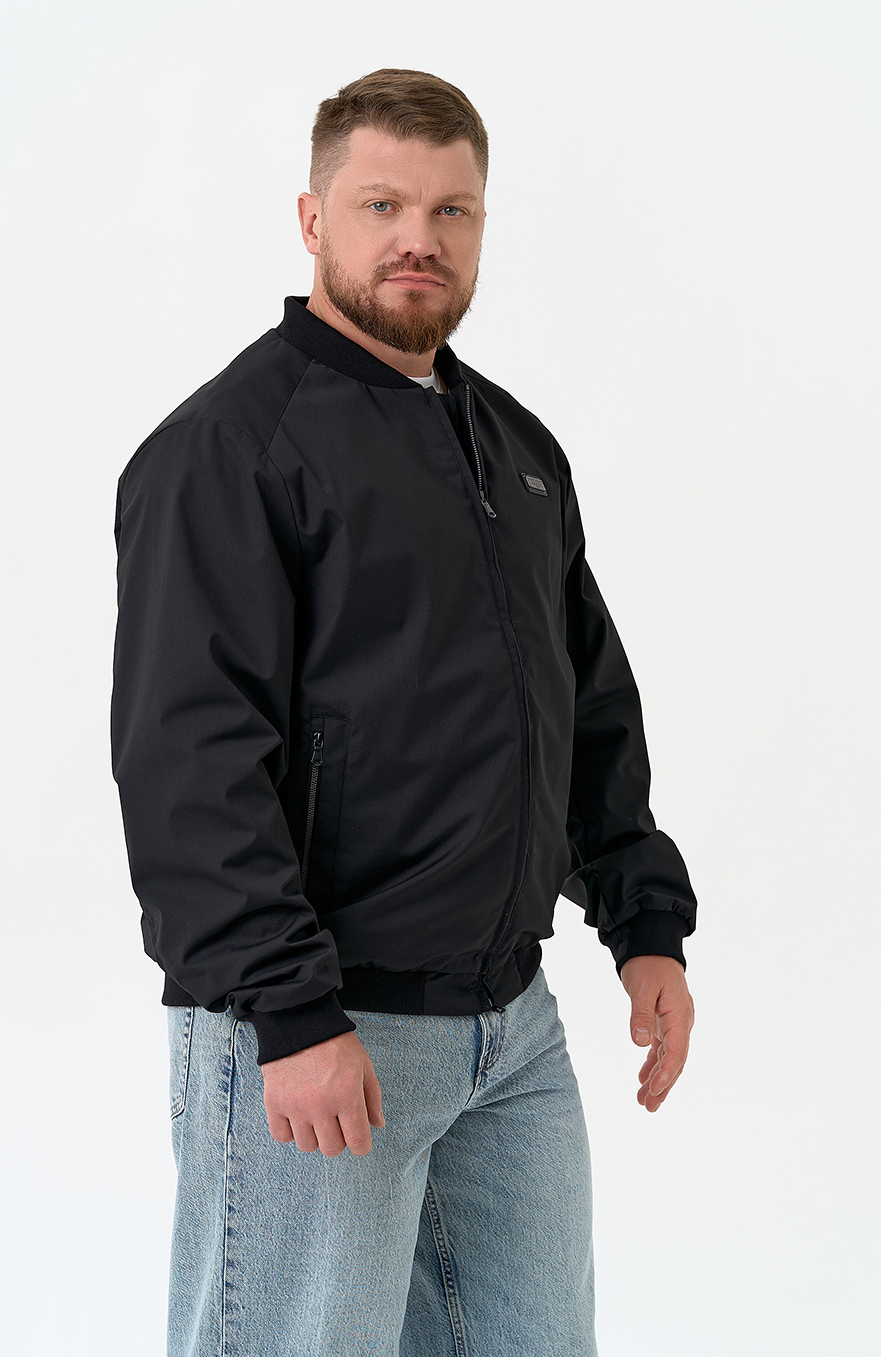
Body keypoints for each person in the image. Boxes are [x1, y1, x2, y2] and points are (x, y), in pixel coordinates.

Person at [111, 67, 697, 1357]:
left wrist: (643, 920)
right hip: (321, 1026)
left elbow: (585, 701)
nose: (418, 238)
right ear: (312, 220)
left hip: (512, 1032)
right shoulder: (228, 450)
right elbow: (189, 764)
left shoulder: (517, 448)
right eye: (382, 204)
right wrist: (291, 1012)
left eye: (451, 210)